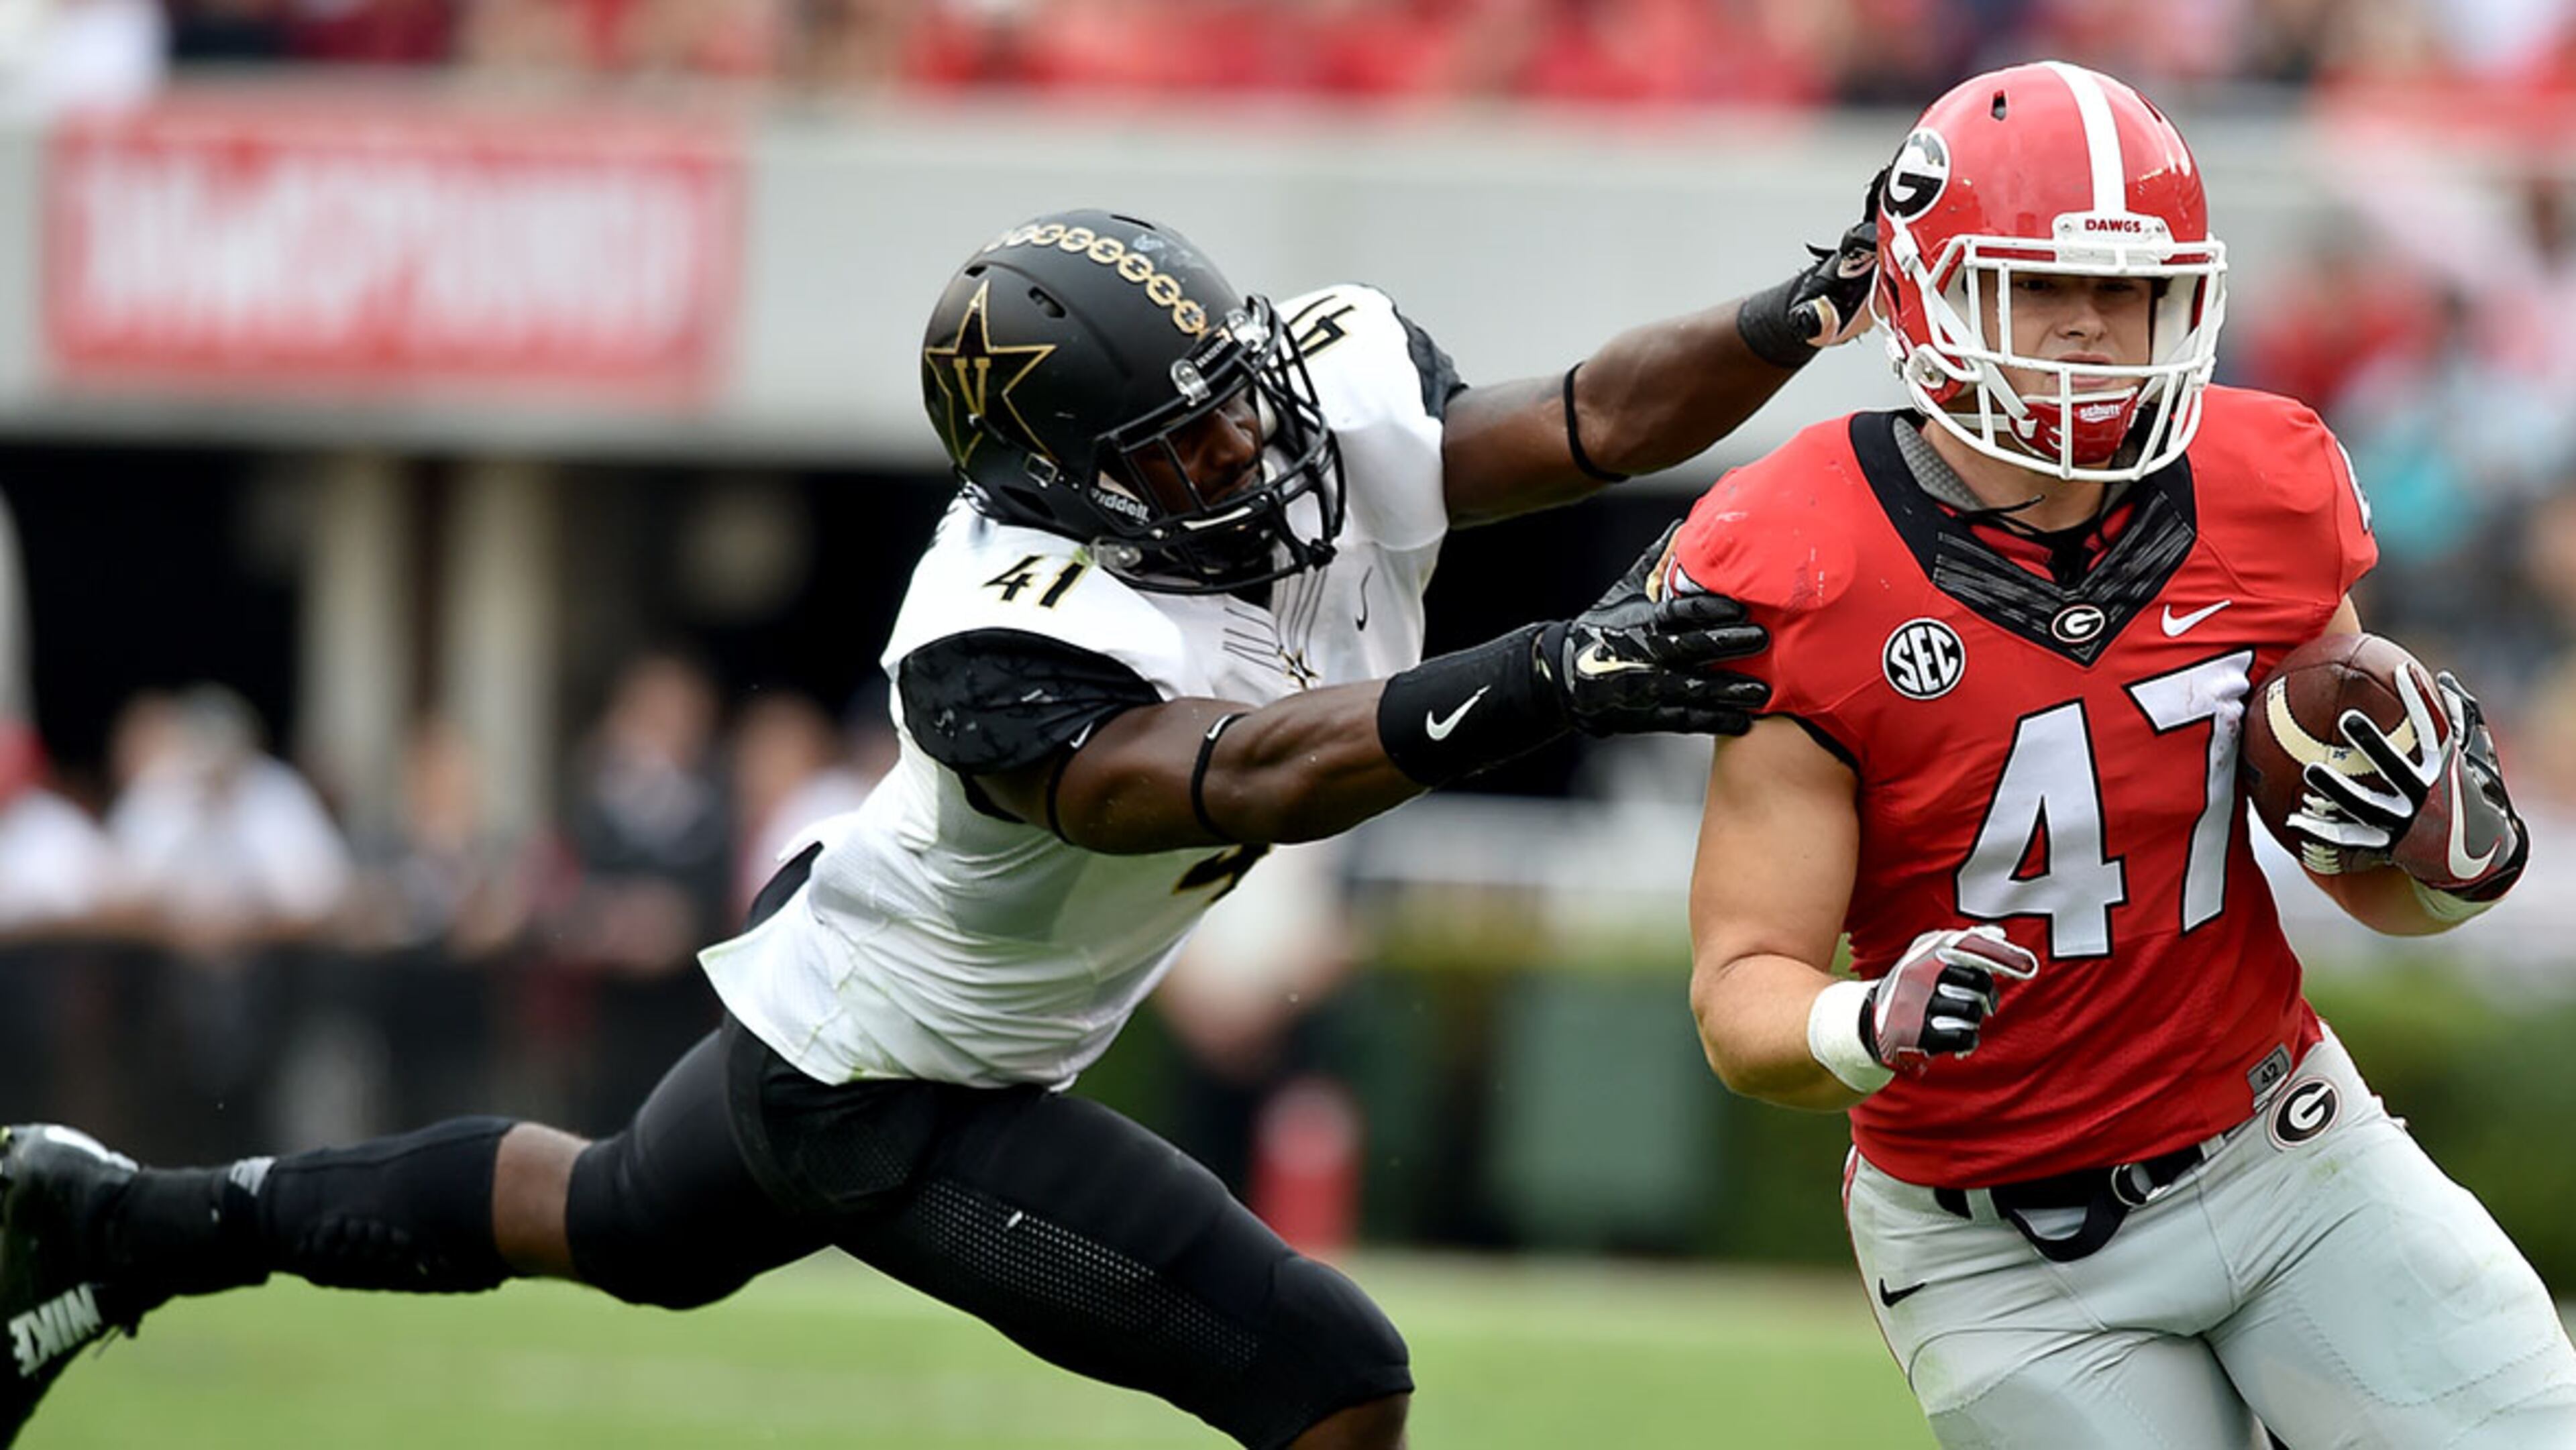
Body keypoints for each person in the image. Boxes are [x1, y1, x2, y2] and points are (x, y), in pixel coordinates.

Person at [0, 201, 1879, 1449]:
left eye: (1238, 408)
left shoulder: (1308, 391)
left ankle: (126, 1217)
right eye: (1186, 452)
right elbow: (1242, 771)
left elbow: (1582, 420)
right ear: (1057, 488)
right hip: (889, 1078)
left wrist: (1807, 303)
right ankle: (131, 1219)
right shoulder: (996, 640)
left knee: (613, 1217)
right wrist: (1542, 676)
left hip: (862, 976)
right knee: (1337, 1380)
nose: (1248, 457)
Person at [1678, 62, 2576, 1447]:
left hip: (2287, 1151)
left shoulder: (2262, 482)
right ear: (1926, 291)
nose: (2090, 331)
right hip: (2002, 1255)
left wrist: (2449, 857)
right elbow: (1743, 984)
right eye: (2040, 287)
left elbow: (2356, 867)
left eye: (2130, 291)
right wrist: (1866, 1022)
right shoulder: (1803, 547)